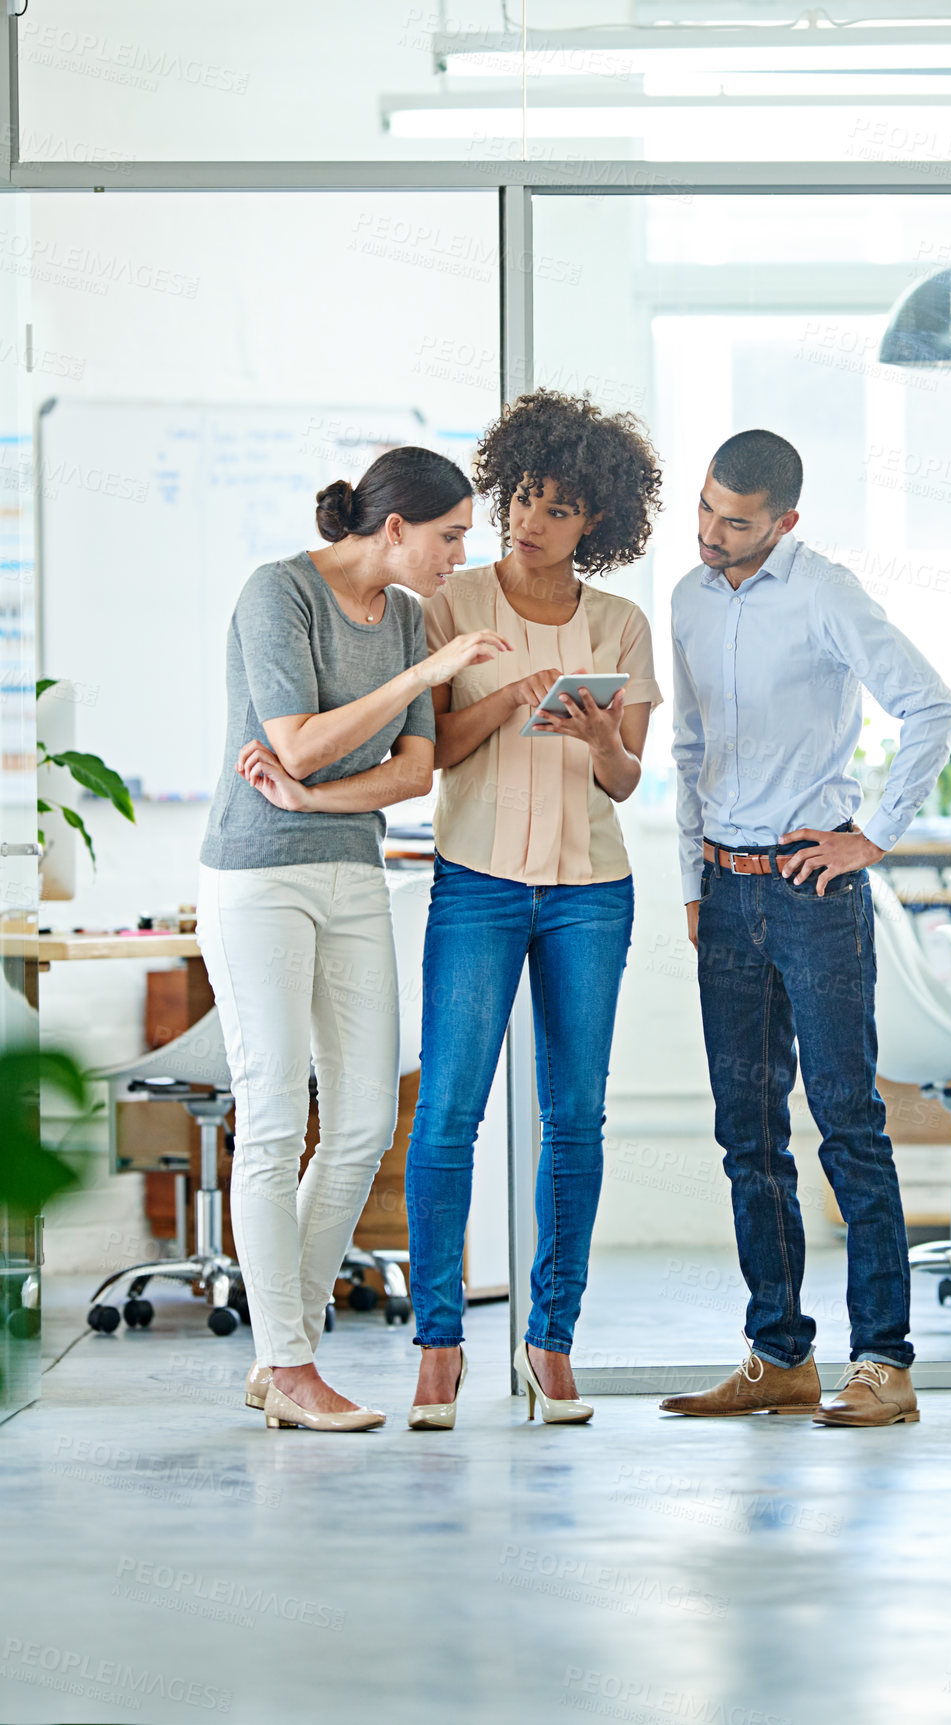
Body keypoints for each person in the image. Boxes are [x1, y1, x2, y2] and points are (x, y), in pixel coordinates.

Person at [199, 445, 509, 1433]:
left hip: (351, 874)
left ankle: (280, 1347)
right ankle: (289, 1362)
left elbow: (414, 772)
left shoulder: (413, 616)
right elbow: (291, 740)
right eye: (450, 537)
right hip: (257, 873)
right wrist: (419, 677)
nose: (457, 556)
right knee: (278, 1116)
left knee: (368, 1119)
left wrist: (317, 794)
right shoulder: (277, 593)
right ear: (394, 530)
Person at [661, 429, 951, 1428]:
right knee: (746, 1135)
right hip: (726, 889)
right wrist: (692, 884)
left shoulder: (825, 592)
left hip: (810, 891)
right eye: (704, 509)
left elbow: (930, 706)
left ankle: (883, 1363)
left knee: (846, 1124)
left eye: (734, 521)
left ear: (783, 522)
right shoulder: (688, 602)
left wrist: (867, 837)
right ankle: (778, 1356)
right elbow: (689, 748)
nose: (710, 533)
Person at [405, 388, 664, 1429]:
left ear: (594, 519)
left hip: (588, 893)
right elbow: (430, 758)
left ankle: (550, 1342)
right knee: (448, 1112)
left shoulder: (621, 622)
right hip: (474, 878)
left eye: (555, 506)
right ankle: (437, 1348)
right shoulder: (450, 606)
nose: (528, 519)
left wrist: (597, 735)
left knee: (576, 1119)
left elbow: (626, 781)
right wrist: (508, 703)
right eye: (519, 497)